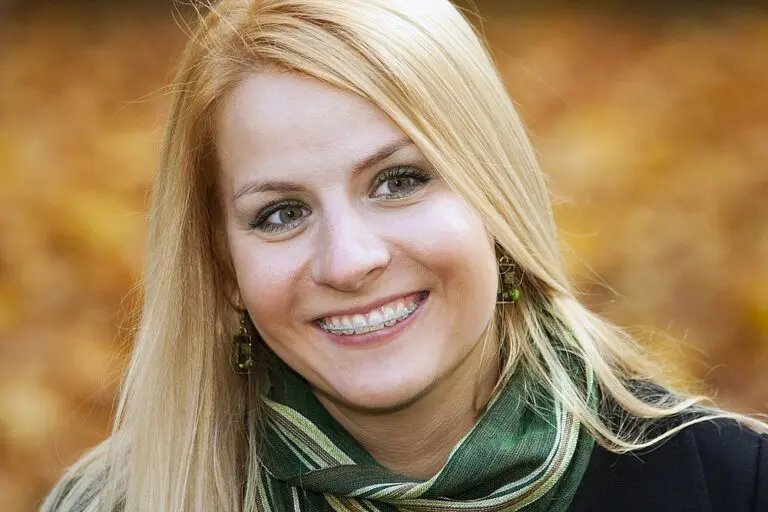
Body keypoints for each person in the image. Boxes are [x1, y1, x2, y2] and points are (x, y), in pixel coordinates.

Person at [43, 0, 767, 511]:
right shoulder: (119, 501)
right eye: (281, 213)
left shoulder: (732, 486)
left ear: (495, 193)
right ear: (224, 270)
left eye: (399, 181)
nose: (349, 260)